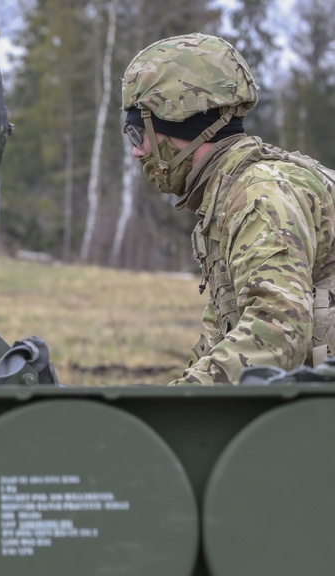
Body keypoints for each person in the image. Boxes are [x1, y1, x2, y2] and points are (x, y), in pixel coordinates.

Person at [122, 33, 335, 385]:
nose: (137, 151)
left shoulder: (260, 195)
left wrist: (178, 408)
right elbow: (225, 335)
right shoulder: (230, 194)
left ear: (176, 128)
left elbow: (277, 331)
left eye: (137, 134)